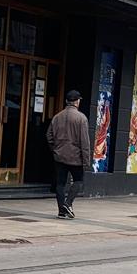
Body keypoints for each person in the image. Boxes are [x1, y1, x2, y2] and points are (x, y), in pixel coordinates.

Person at [46, 90, 93, 219]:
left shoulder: (57, 117)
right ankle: (68, 203)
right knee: (78, 181)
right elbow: (85, 142)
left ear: (67, 101)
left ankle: (62, 211)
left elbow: (49, 135)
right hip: (75, 157)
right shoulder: (81, 118)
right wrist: (86, 160)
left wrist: (55, 149)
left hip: (59, 156)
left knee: (60, 184)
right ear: (77, 102)